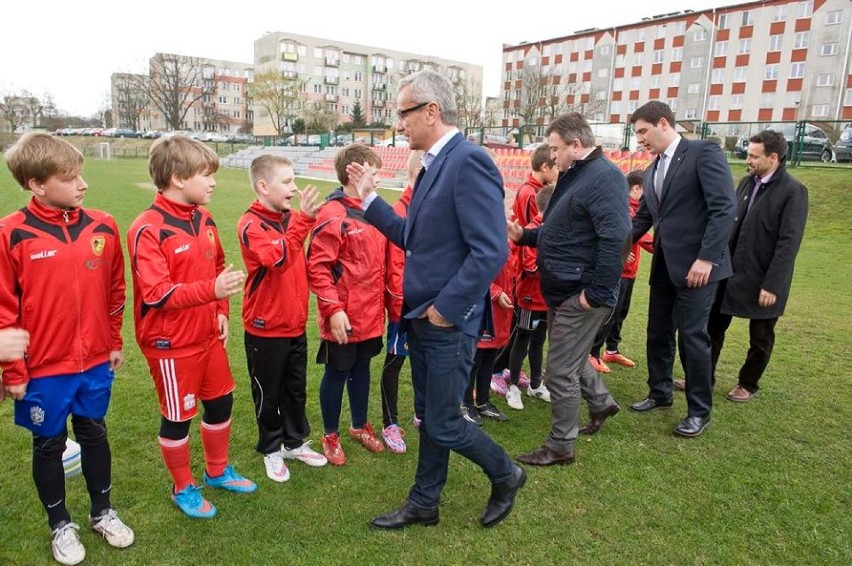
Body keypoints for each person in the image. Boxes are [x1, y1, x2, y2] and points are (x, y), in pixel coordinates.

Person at [350, 69, 525, 529]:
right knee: (430, 417)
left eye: (404, 112)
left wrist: (447, 309)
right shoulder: (432, 164)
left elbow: (491, 249)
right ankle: (425, 502)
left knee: (445, 422)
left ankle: (507, 474)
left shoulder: (468, 160)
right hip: (421, 318)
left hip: (446, 320)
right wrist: (370, 202)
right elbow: (412, 236)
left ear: (432, 110)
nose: (399, 123)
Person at [0, 133, 133, 565]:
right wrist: (15, 372)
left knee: (95, 434)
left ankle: (103, 512)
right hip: (43, 369)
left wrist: (113, 340)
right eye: (70, 177)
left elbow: (116, 290)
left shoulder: (103, 225)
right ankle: (60, 525)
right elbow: (5, 310)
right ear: (37, 184)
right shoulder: (10, 234)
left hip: (94, 362)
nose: (83, 185)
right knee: (48, 445)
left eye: (81, 175)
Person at [127, 135, 257, 520]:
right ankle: (182, 486)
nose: (214, 182)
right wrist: (211, 291)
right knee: (178, 416)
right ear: (178, 178)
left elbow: (217, 267)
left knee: (221, 401)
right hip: (170, 344)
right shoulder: (147, 228)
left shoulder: (204, 218)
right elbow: (156, 293)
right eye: (206, 174)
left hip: (206, 335)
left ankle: (216, 472)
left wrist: (220, 308)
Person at [510, 113, 630, 466]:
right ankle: (601, 402)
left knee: (559, 371)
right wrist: (526, 236)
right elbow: (561, 230)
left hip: (580, 292)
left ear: (576, 146)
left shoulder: (604, 178)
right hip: (563, 288)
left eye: (556, 148)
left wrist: (594, 293)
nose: (553, 155)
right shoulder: (575, 175)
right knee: (572, 358)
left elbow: (615, 239)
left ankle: (561, 445)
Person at [627, 101, 736, 437]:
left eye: (643, 131)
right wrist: (613, 244)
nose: (640, 140)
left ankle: (699, 411)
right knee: (657, 332)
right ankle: (659, 392)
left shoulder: (703, 152)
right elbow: (645, 218)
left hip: (699, 267)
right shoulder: (652, 169)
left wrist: (707, 258)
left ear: (663, 123)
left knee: (692, 336)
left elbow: (723, 209)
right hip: (664, 266)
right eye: (636, 134)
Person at [237, 155, 327, 483]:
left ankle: (294, 442)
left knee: (295, 389)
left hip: (294, 322)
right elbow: (278, 259)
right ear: (263, 186)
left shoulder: (291, 218)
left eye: (293, 180)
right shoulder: (251, 224)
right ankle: (271, 448)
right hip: (265, 326)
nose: (294, 188)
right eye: (287, 182)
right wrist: (304, 220)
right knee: (268, 392)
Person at [707, 129, 808, 402]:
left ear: (773, 157)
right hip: (729, 272)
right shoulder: (746, 183)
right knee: (713, 326)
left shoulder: (794, 192)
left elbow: (789, 243)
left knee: (761, 336)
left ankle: (748, 384)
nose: (748, 160)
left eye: (753, 156)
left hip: (764, 278)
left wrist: (772, 285)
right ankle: (704, 376)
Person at [307, 144, 387, 466]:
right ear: (355, 173)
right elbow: (317, 267)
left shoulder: (375, 210)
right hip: (343, 316)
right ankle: (330, 435)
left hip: (370, 314)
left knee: (362, 368)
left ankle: (357, 426)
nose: (379, 177)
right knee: (337, 371)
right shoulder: (332, 214)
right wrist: (334, 310)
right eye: (374, 171)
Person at [504, 145, 559, 409]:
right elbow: (527, 258)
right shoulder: (530, 206)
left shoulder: (548, 227)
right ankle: (512, 384)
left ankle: (536, 384)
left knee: (539, 340)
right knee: (523, 338)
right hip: (528, 293)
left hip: (544, 296)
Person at [588, 169, 654, 375]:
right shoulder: (624, 209)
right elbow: (638, 236)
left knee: (621, 314)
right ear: (636, 188)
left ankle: (612, 349)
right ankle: (592, 353)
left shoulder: (637, 208)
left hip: (631, 272)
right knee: (610, 314)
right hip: (619, 272)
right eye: (647, 191)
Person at [380, 149, 424, 449]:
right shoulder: (400, 211)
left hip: (429, 304)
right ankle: (390, 423)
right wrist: (399, 307)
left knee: (425, 360)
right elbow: (395, 266)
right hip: (405, 307)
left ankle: (422, 412)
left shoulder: (431, 207)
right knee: (396, 360)